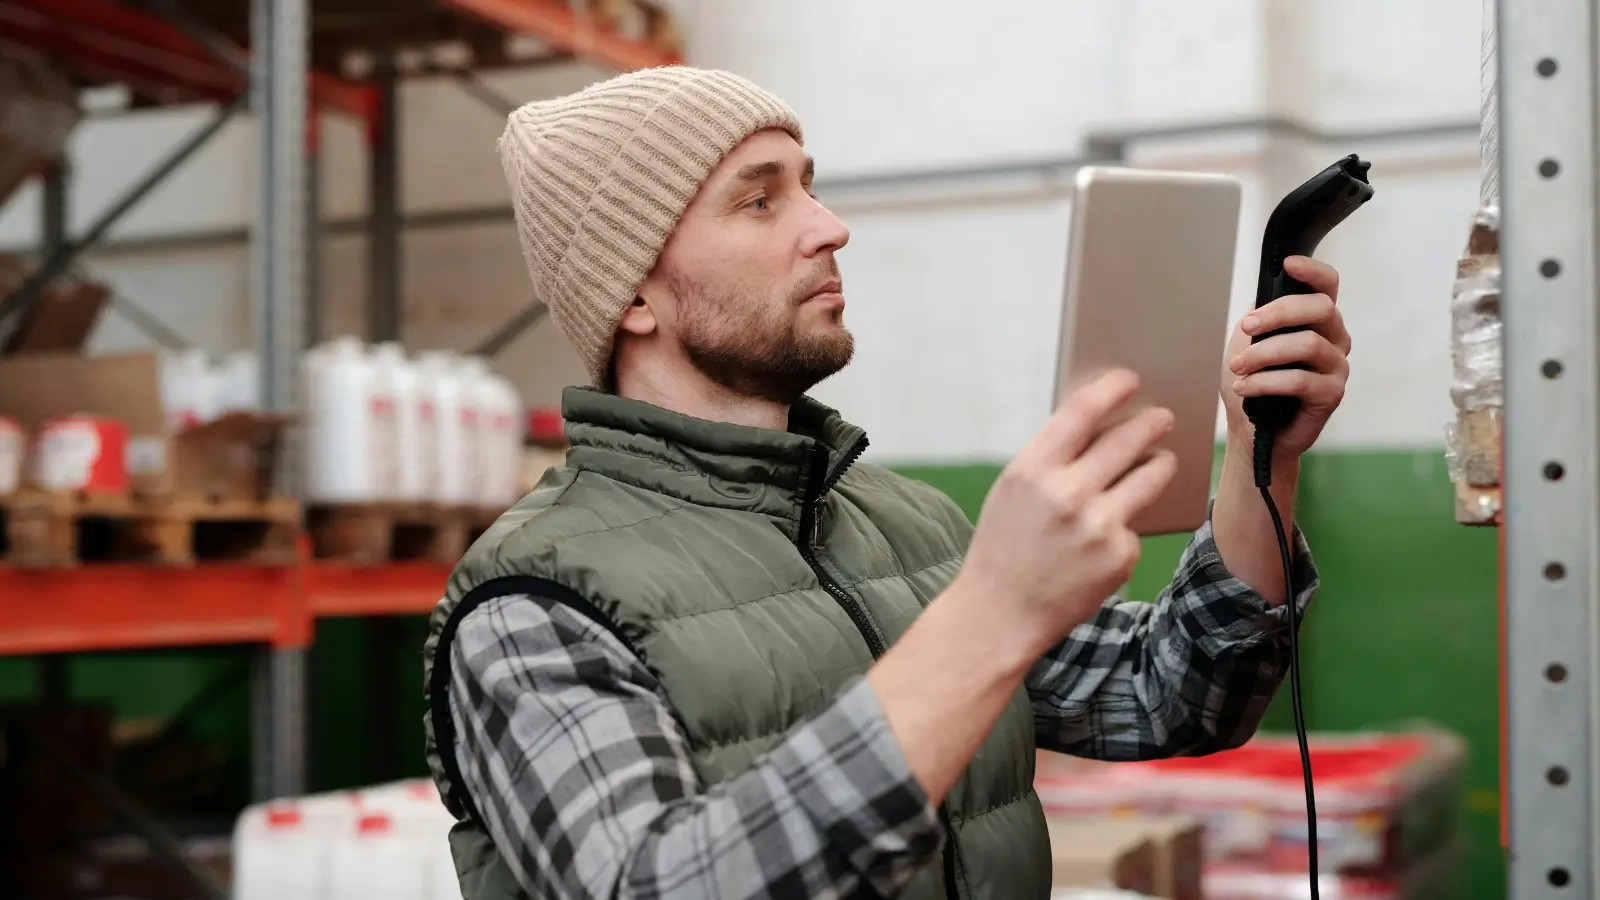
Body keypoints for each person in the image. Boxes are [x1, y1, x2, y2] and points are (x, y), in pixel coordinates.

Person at [422, 66, 1348, 900]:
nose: (830, 228)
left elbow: (1173, 695)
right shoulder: (531, 603)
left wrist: (1263, 456)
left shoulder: (911, 529)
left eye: (811, 190)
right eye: (759, 203)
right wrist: (989, 614)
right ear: (632, 296)